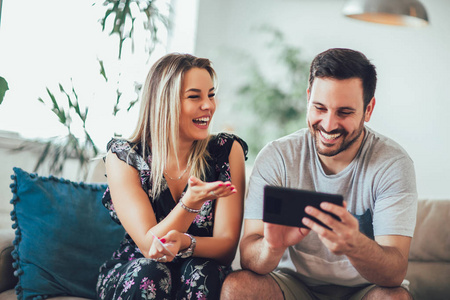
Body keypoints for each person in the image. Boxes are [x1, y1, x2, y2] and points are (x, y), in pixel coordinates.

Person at [221, 48, 417, 300]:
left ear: (368, 110)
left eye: (344, 112)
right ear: (308, 98)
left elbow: (394, 274)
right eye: (320, 108)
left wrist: (353, 244)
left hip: (365, 288)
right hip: (292, 283)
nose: (328, 124)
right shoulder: (278, 156)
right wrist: (272, 246)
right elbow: (250, 257)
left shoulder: (392, 164)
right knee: (238, 287)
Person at [96, 53, 248, 300]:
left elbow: (227, 248)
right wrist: (191, 203)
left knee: (204, 272)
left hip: (198, 267)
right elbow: (150, 247)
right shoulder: (126, 156)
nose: (209, 105)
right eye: (194, 96)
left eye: (210, 94)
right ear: (163, 103)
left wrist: (186, 242)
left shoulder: (227, 151)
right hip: (137, 268)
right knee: (150, 272)